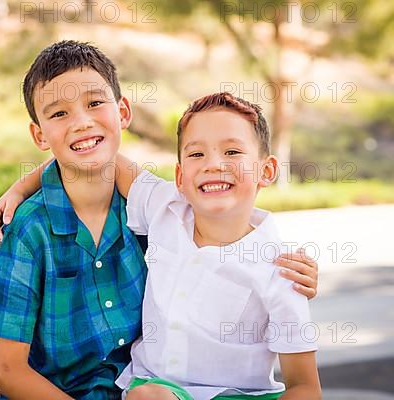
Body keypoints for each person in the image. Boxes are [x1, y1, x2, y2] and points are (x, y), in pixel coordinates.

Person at [0, 40, 319, 399]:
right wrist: (21, 188)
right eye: (59, 113)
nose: (80, 121)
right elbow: (8, 371)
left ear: (123, 112)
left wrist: (292, 276)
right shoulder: (35, 229)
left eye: (94, 103)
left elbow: (95, 155)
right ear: (39, 135)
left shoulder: (150, 210)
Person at [113, 92, 321, 399]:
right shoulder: (164, 206)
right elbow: (100, 157)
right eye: (196, 155)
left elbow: (305, 387)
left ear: (266, 171)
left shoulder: (283, 270)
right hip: (161, 389)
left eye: (233, 151)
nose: (213, 165)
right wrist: (23, 185)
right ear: (180, 176)